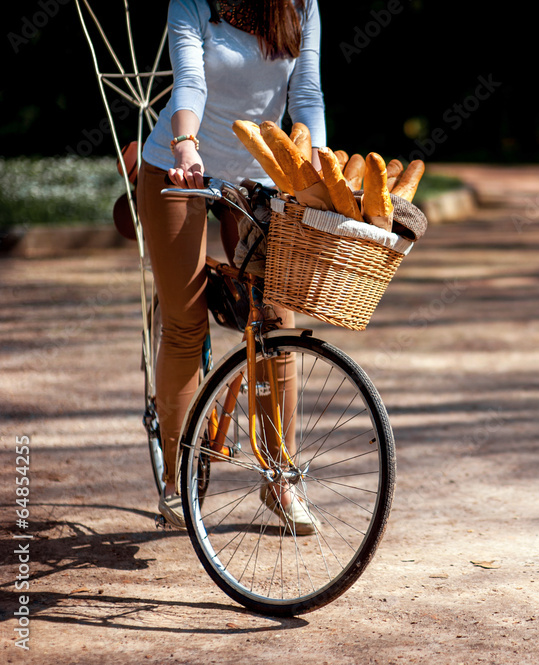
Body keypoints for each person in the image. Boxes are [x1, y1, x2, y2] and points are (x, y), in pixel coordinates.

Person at [137, 0, 324, 532]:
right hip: (181, 171)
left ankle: (281, 478)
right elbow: (190, 82)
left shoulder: (300, 4)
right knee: (185, 322)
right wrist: (186, 143)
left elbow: (306, 95)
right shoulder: (193, 3)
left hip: (260, 179)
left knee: (276, 321)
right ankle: (177, 483)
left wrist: (316, 164)